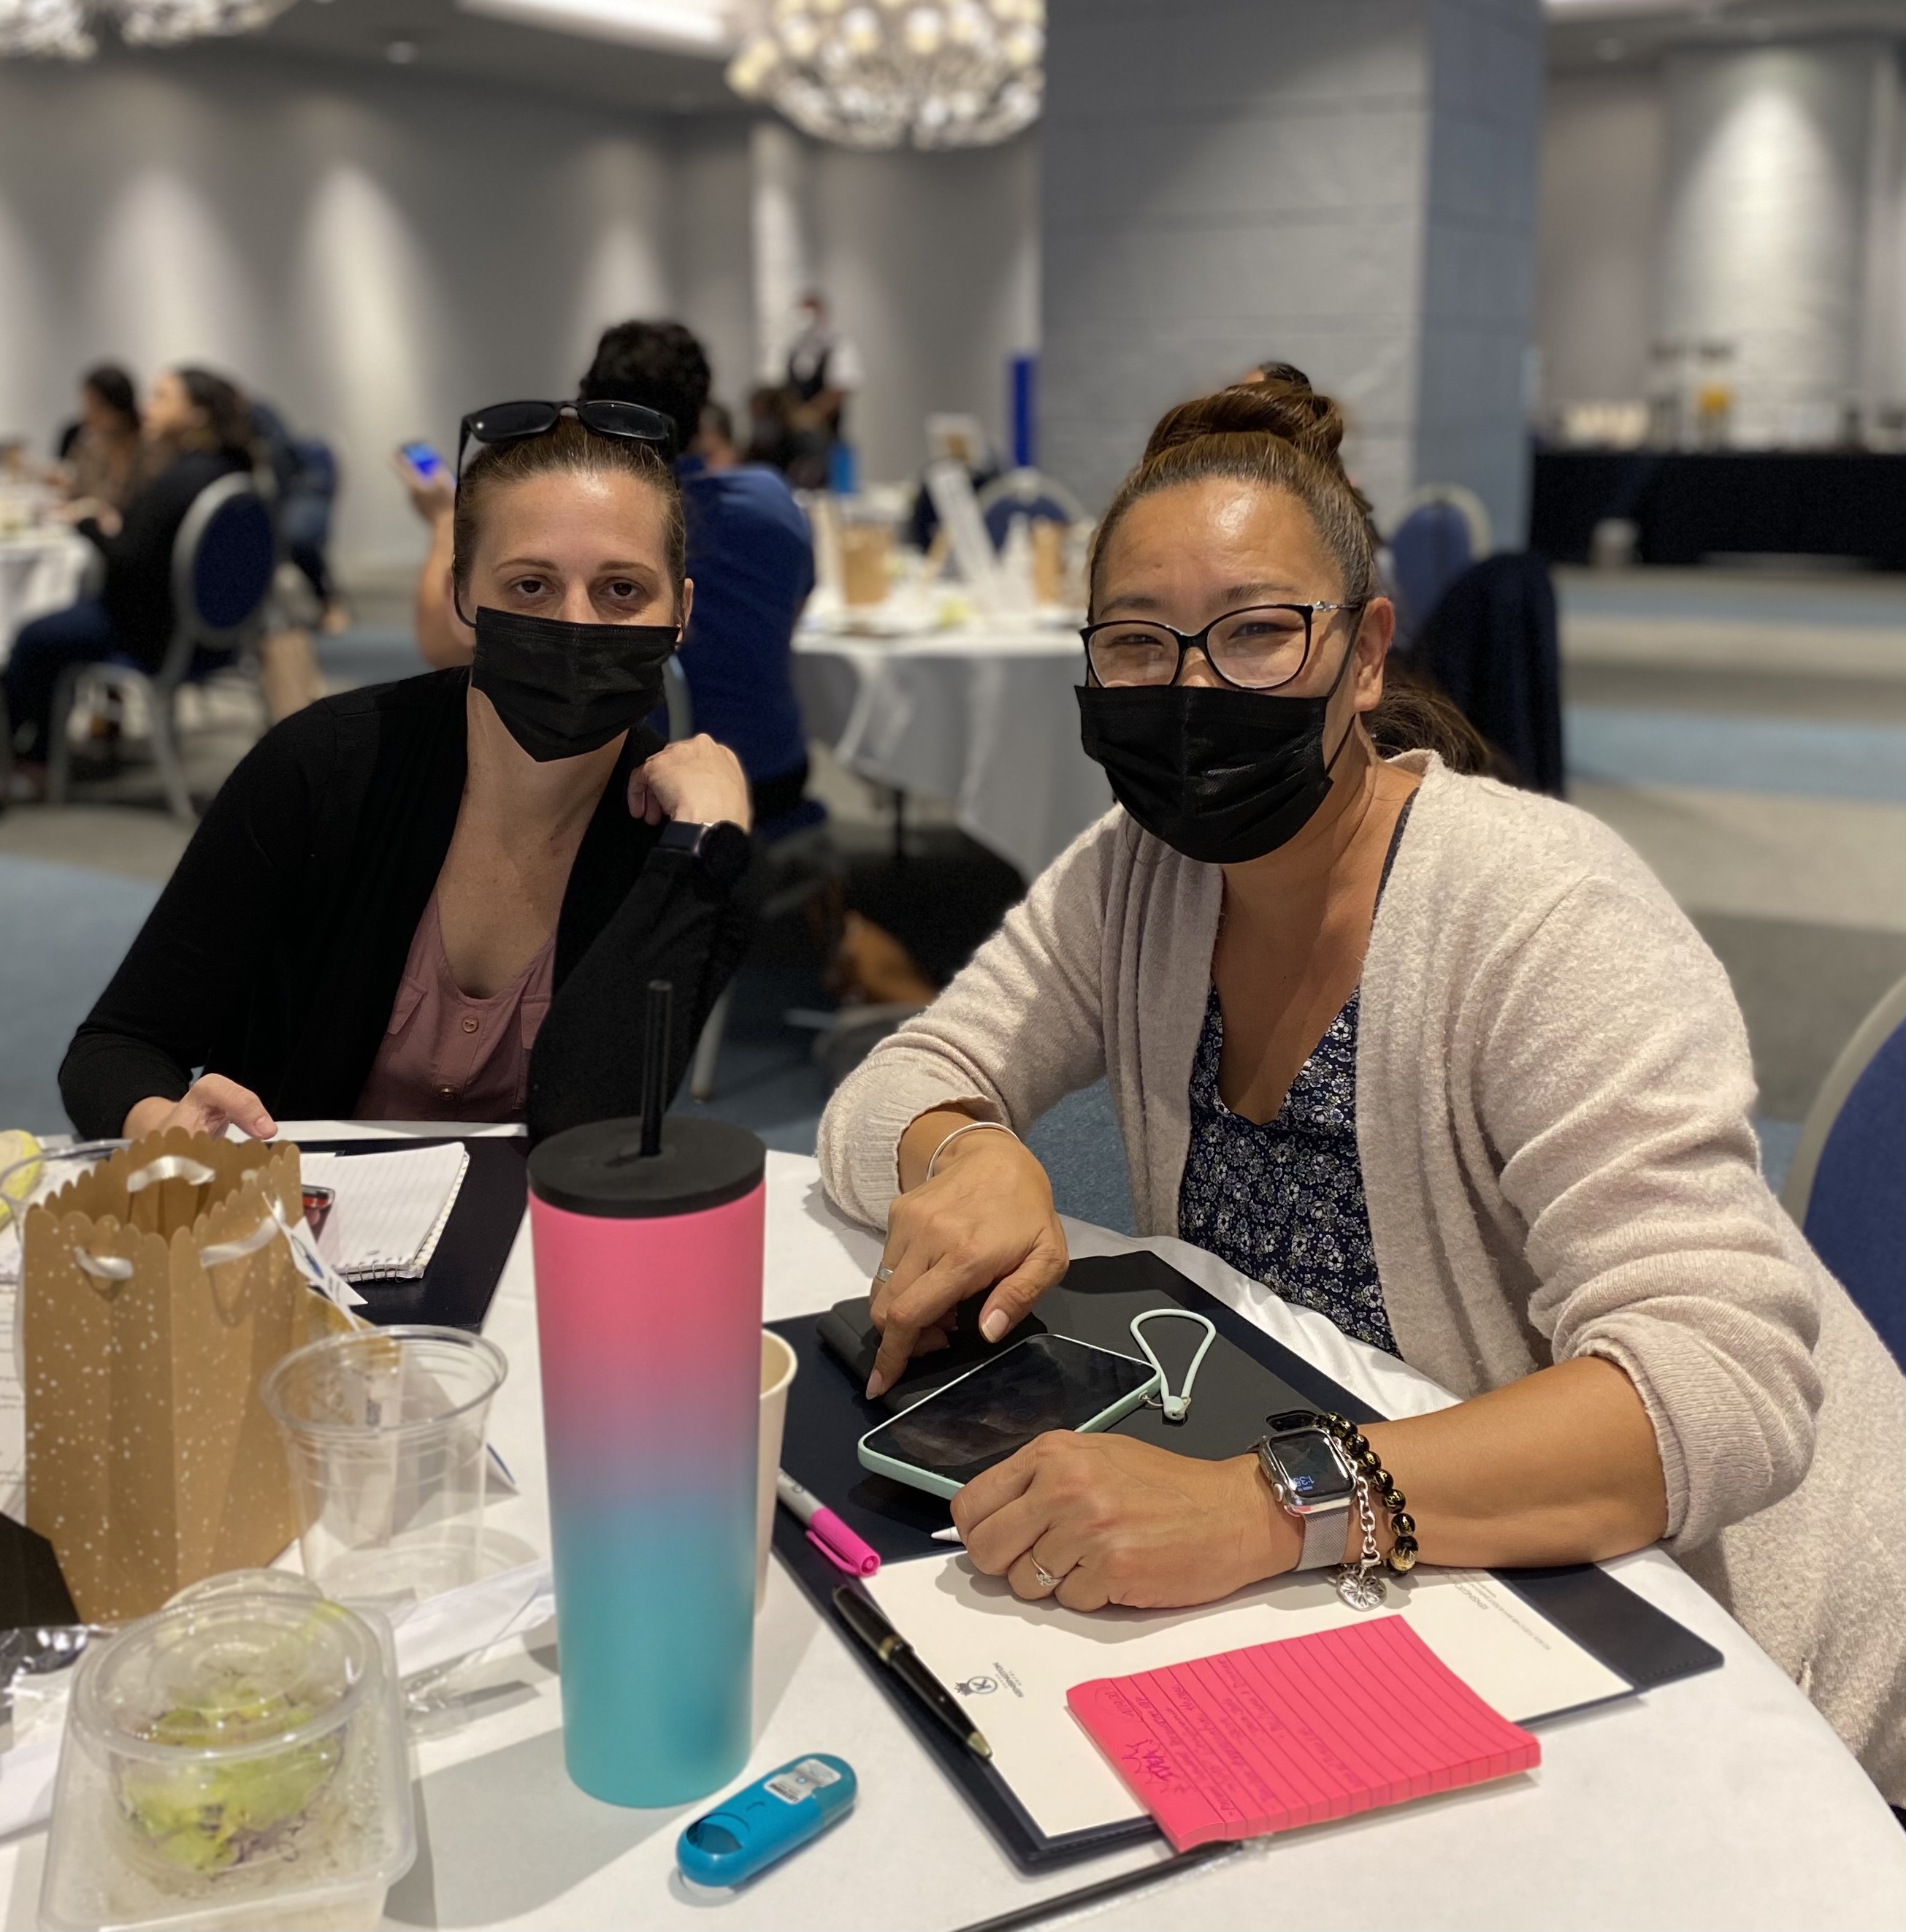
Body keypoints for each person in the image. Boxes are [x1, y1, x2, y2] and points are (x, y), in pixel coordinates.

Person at [816, 372, 1906, 1803]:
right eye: (1141, 644)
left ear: (1366, 650)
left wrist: (1272, 1503)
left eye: (1259, 631)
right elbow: (895, 1082)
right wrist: (966, 1146)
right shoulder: (1135, 876)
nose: (1196, 686)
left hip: (1740, 1658)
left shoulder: (1534, 907)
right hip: (1422, 1582)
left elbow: (1723, 1388)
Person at [61, 404, 753, 1145]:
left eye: (622, 589)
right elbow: (116, 1047)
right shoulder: (322, 767)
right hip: (295, 1226)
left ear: (679, 610)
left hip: (530, 1250)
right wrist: (165, 1124)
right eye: (530, 586)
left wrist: (699, 862)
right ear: (462, 595)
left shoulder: (687, 839)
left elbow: (590, 1133)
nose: (575, 624)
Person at [412, 320, 816, 832]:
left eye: (621, 589)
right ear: (701, 411)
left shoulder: (595, 524)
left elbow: (442, 642)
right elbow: (796, 610)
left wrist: (443, 522)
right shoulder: (772, 502)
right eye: (535, 586)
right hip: (775, 770)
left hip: (632, 802)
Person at [4, 367, 253, 790]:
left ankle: (28, 755)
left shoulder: (181, 478)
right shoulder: (229, 472)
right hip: (212, 635)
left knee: (32, 636)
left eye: (161, 397)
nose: (147, 406)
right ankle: (39, 752)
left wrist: (88, 526)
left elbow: (128, 557)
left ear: (196, 415)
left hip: (151, 633)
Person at [53, 364, 144, 515]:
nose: (88, 414)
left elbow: (118, 504)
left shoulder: (142, 449)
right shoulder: (91, 441)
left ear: (118, 409)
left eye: (95, 406)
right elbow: (79, 488)